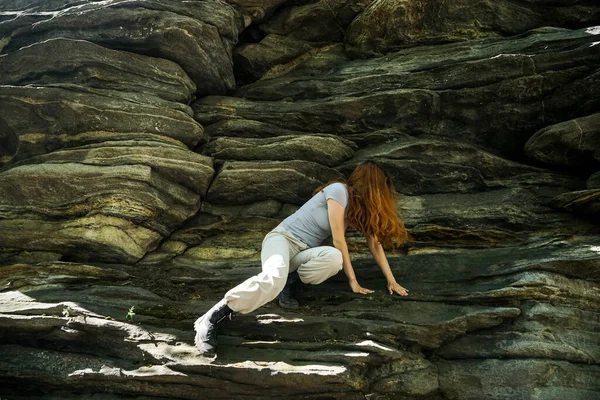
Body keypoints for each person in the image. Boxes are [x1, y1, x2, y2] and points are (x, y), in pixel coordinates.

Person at [194, 160, 409, 356]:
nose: (383, 193)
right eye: (381, 186)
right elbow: (338, 240)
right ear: (369, 183)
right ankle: (213, 317)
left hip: (303, 253)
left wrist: (392, 280)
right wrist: (353, 281)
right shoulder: (339, 191)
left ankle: (291, 279)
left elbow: (375, 244)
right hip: (282, 239)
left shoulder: (359, 209)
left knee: (333, 259)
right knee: (274, 278)